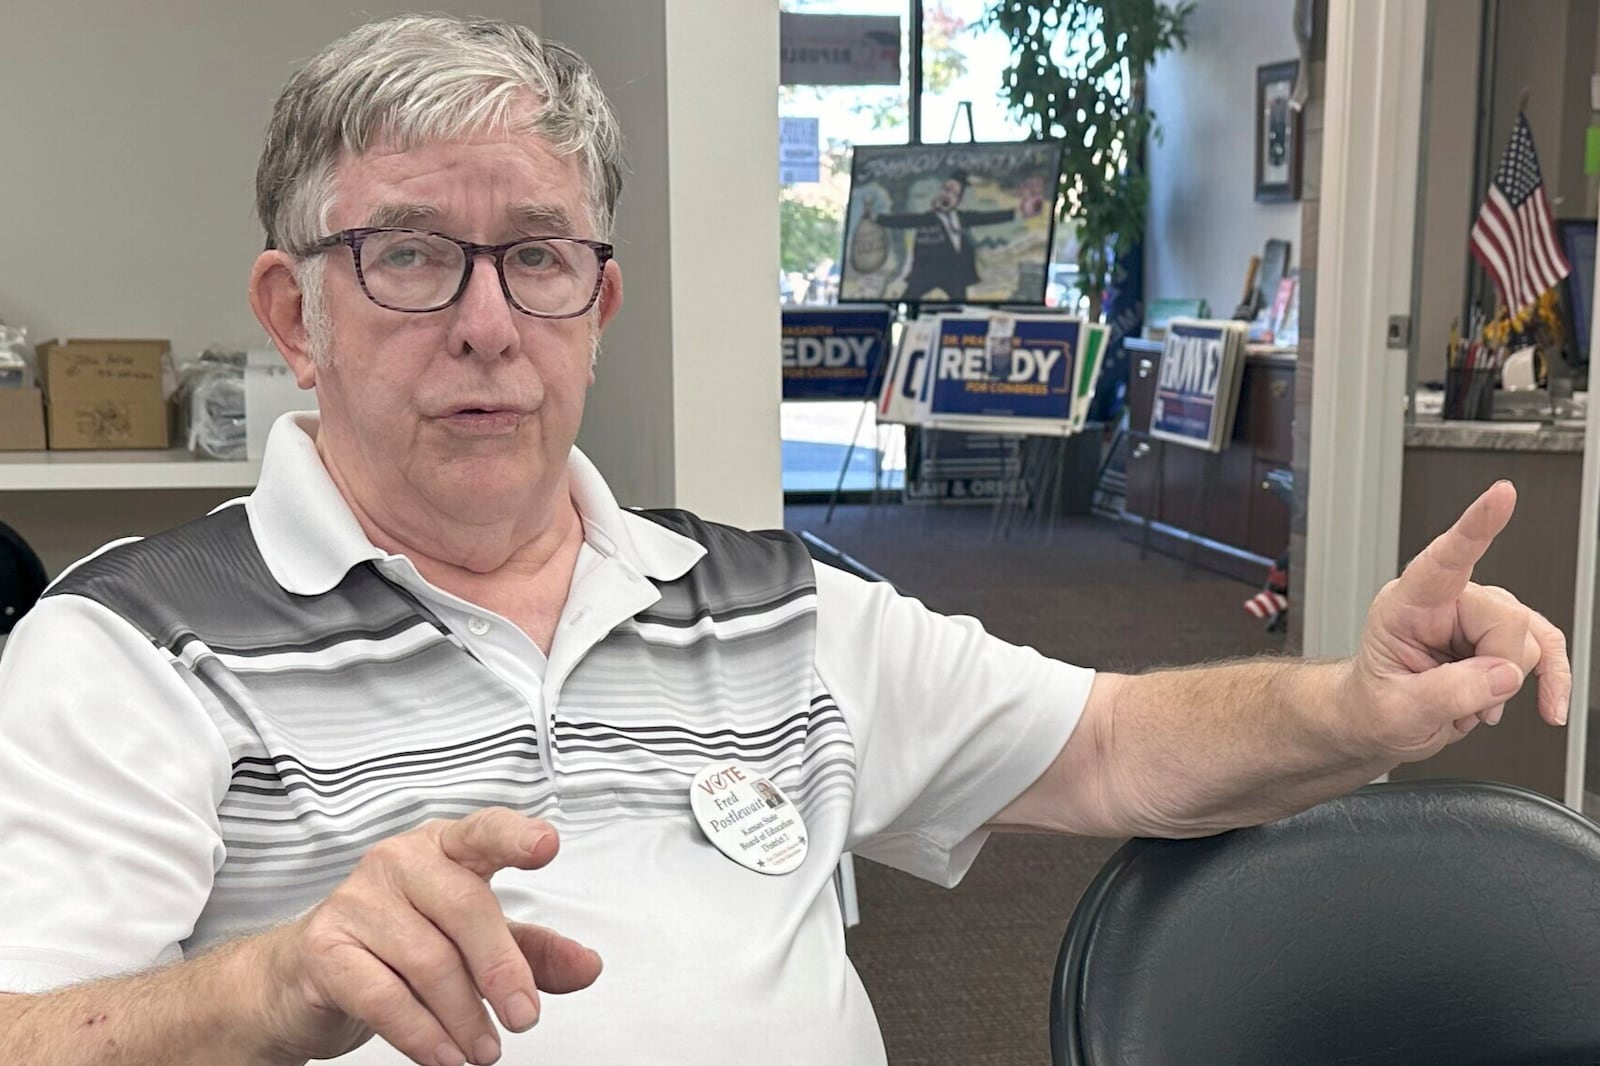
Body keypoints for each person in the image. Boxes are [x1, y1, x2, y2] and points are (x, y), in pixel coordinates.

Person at [0, 15, 1570, 1066]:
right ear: (299, 312)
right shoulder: (132, 649)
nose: (487, 326)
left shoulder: (769, 600)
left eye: (537, 258)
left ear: (597, 308)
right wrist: (270, 984)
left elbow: (1110, 742)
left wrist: (1352, 704)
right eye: (410, 256)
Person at [867, 170, 1023, 301]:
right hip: (926, 271)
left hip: (953, 272)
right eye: (946, 189)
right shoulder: (928, 218)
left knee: (960, 304)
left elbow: (987, 218)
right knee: (911, 296)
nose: (948, 194)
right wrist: (877, 218)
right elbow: (904, 221)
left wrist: (1015, 213)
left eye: (954, 192)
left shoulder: (961, 218)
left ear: (958, 200)